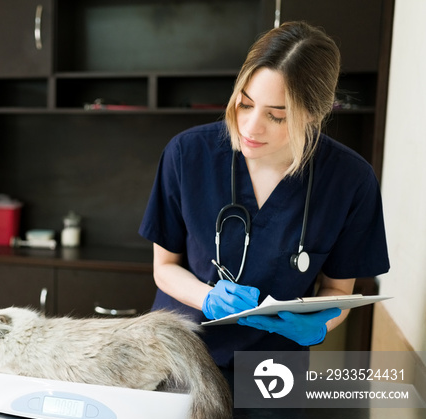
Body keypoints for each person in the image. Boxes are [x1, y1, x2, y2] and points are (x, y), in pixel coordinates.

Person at [139, 21, 389, 368]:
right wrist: (208, 298)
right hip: (181, 358)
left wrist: (321, 323)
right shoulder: (187, 155)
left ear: (315, 115)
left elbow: (338, 291)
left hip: (273, 372)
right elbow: (164, 267)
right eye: (245, 104)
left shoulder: (350, 181)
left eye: (276, 116)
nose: (251, 127)